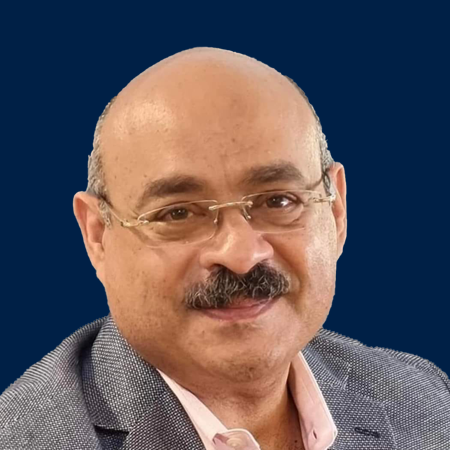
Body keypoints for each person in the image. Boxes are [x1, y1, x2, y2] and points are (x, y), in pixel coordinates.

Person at [1, 47, 449, 450]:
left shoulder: (426, 402)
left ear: (336, 211)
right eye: (178, 213)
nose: (241, 255)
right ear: (98, 235)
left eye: (278, 201)